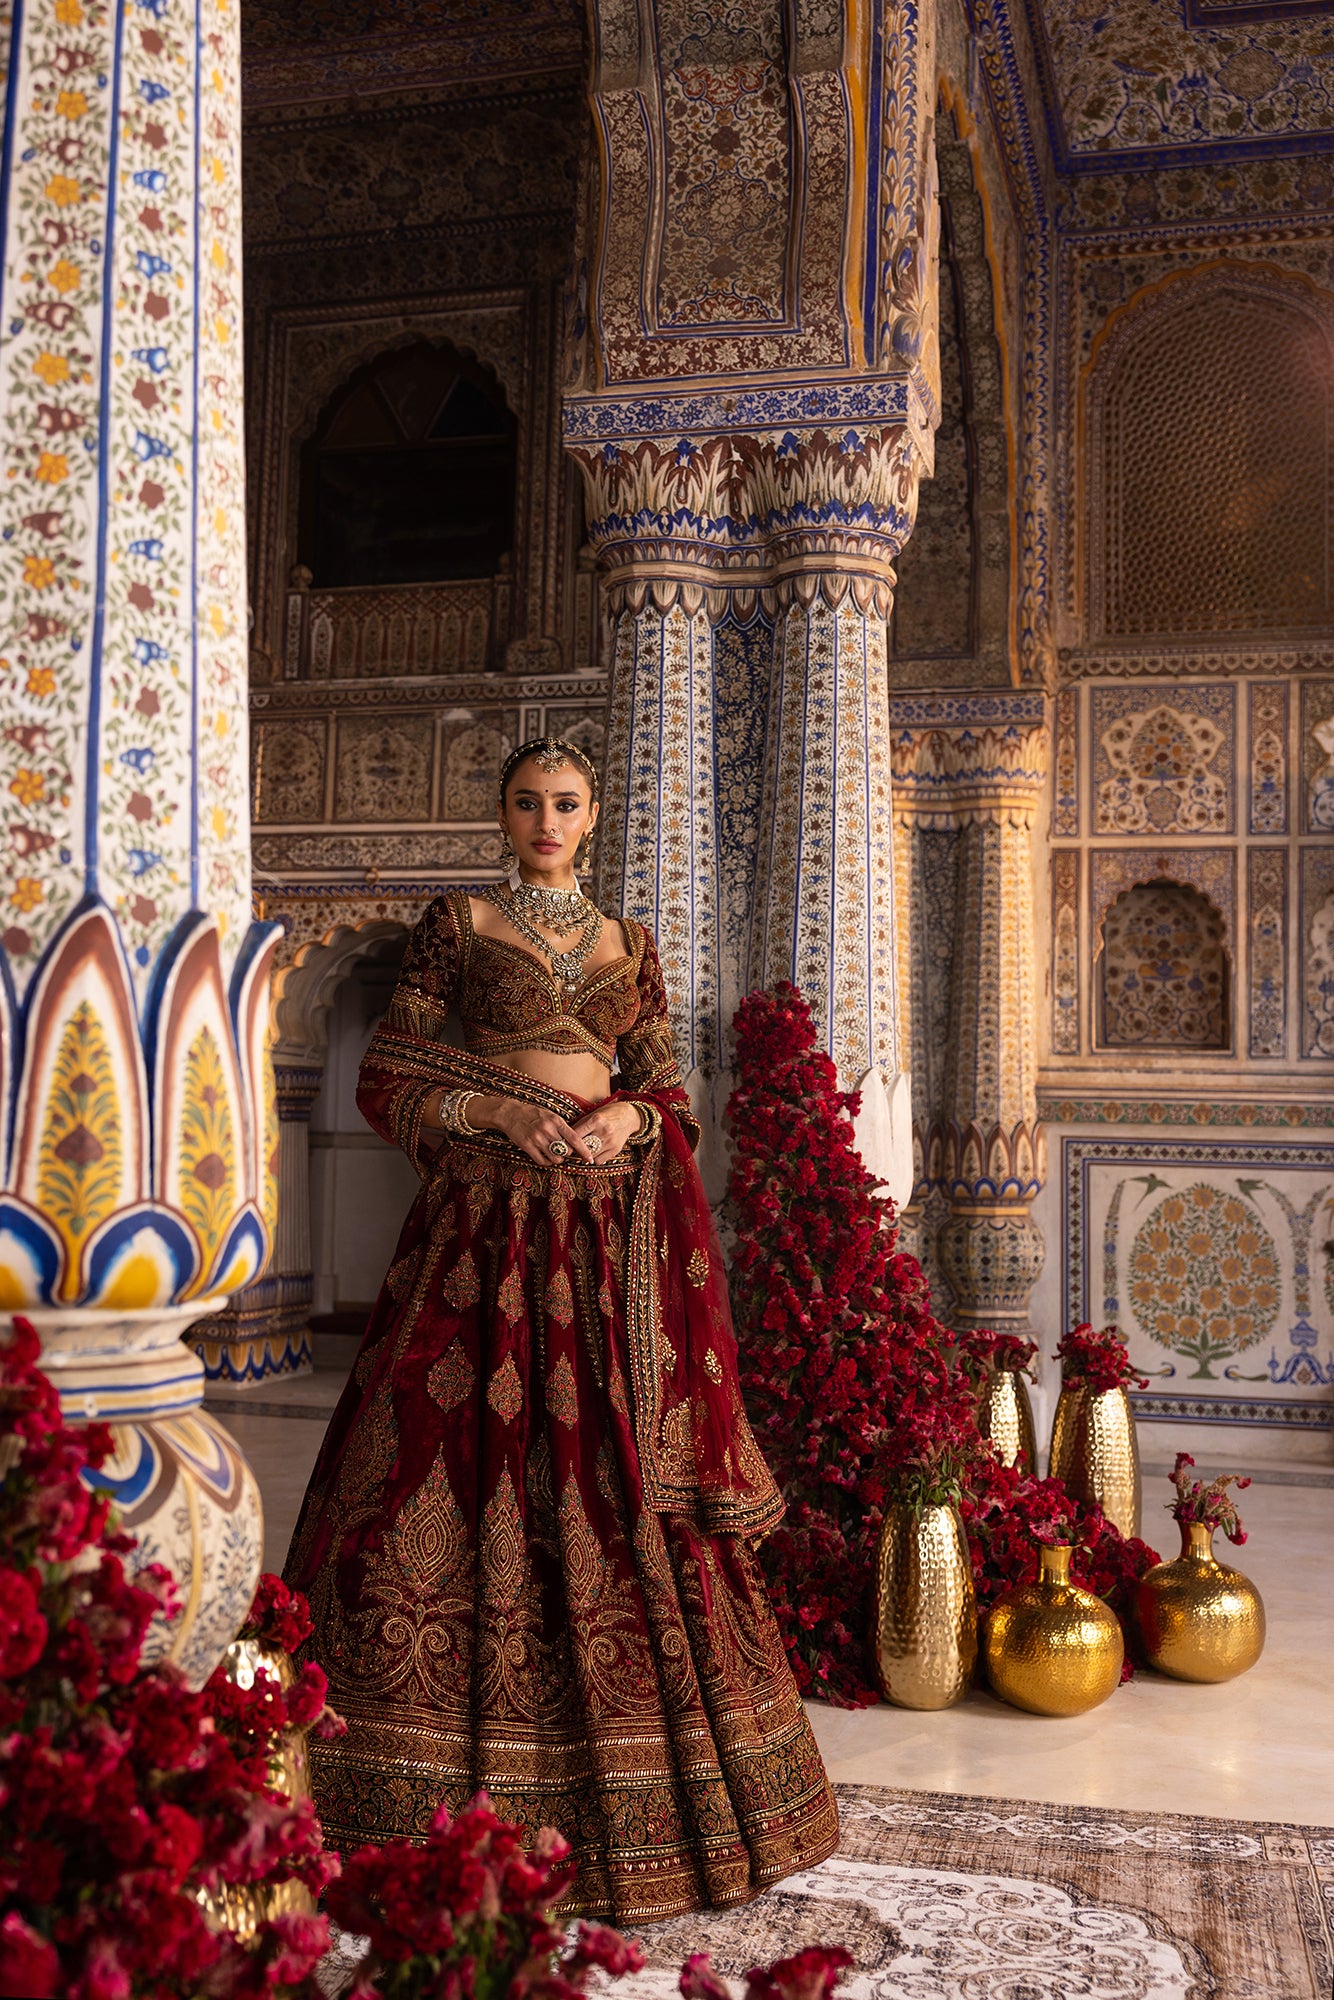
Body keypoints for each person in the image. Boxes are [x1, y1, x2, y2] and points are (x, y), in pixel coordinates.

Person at [284, 737, 838, 1922]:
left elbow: (665, 1088)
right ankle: (400, 1780)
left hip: (600, 1241)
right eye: (528, 801)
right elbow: (386, 1071)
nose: (546, 818)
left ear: (593, 816)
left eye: (566, 803)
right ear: (501, 810)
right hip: (482, 1229)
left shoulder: (626, 943)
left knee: (610, 1473)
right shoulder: (461, 921)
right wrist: (491, 1106)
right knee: (438, 1463)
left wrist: (630, 1123)